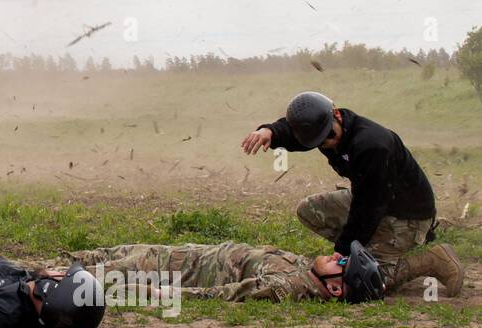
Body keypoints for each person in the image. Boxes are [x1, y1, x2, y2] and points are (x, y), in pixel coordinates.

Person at [242, 91, 463, 296]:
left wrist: (345, 251)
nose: (328, 143)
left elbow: (368, 209)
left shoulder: (372, 145)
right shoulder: (325, 128)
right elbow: (295, 129)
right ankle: (378, 250)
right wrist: (269, 131)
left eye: (328, 136)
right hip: (373, 198)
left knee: (362, 282)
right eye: (319, 141)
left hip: (405, 214)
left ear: (336, 115)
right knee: (309, 210)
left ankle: (431, 259)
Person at [67, 239, 385, 303]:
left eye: (342, 264)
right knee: (125, 250)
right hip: (192, 254)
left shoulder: (288, 286)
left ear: (335, 288)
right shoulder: (308, 271)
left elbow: (232, 293)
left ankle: (43, 276)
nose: (336, 256)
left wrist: (169, 294)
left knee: (103, 272)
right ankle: (69, 260)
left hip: (180, 271)